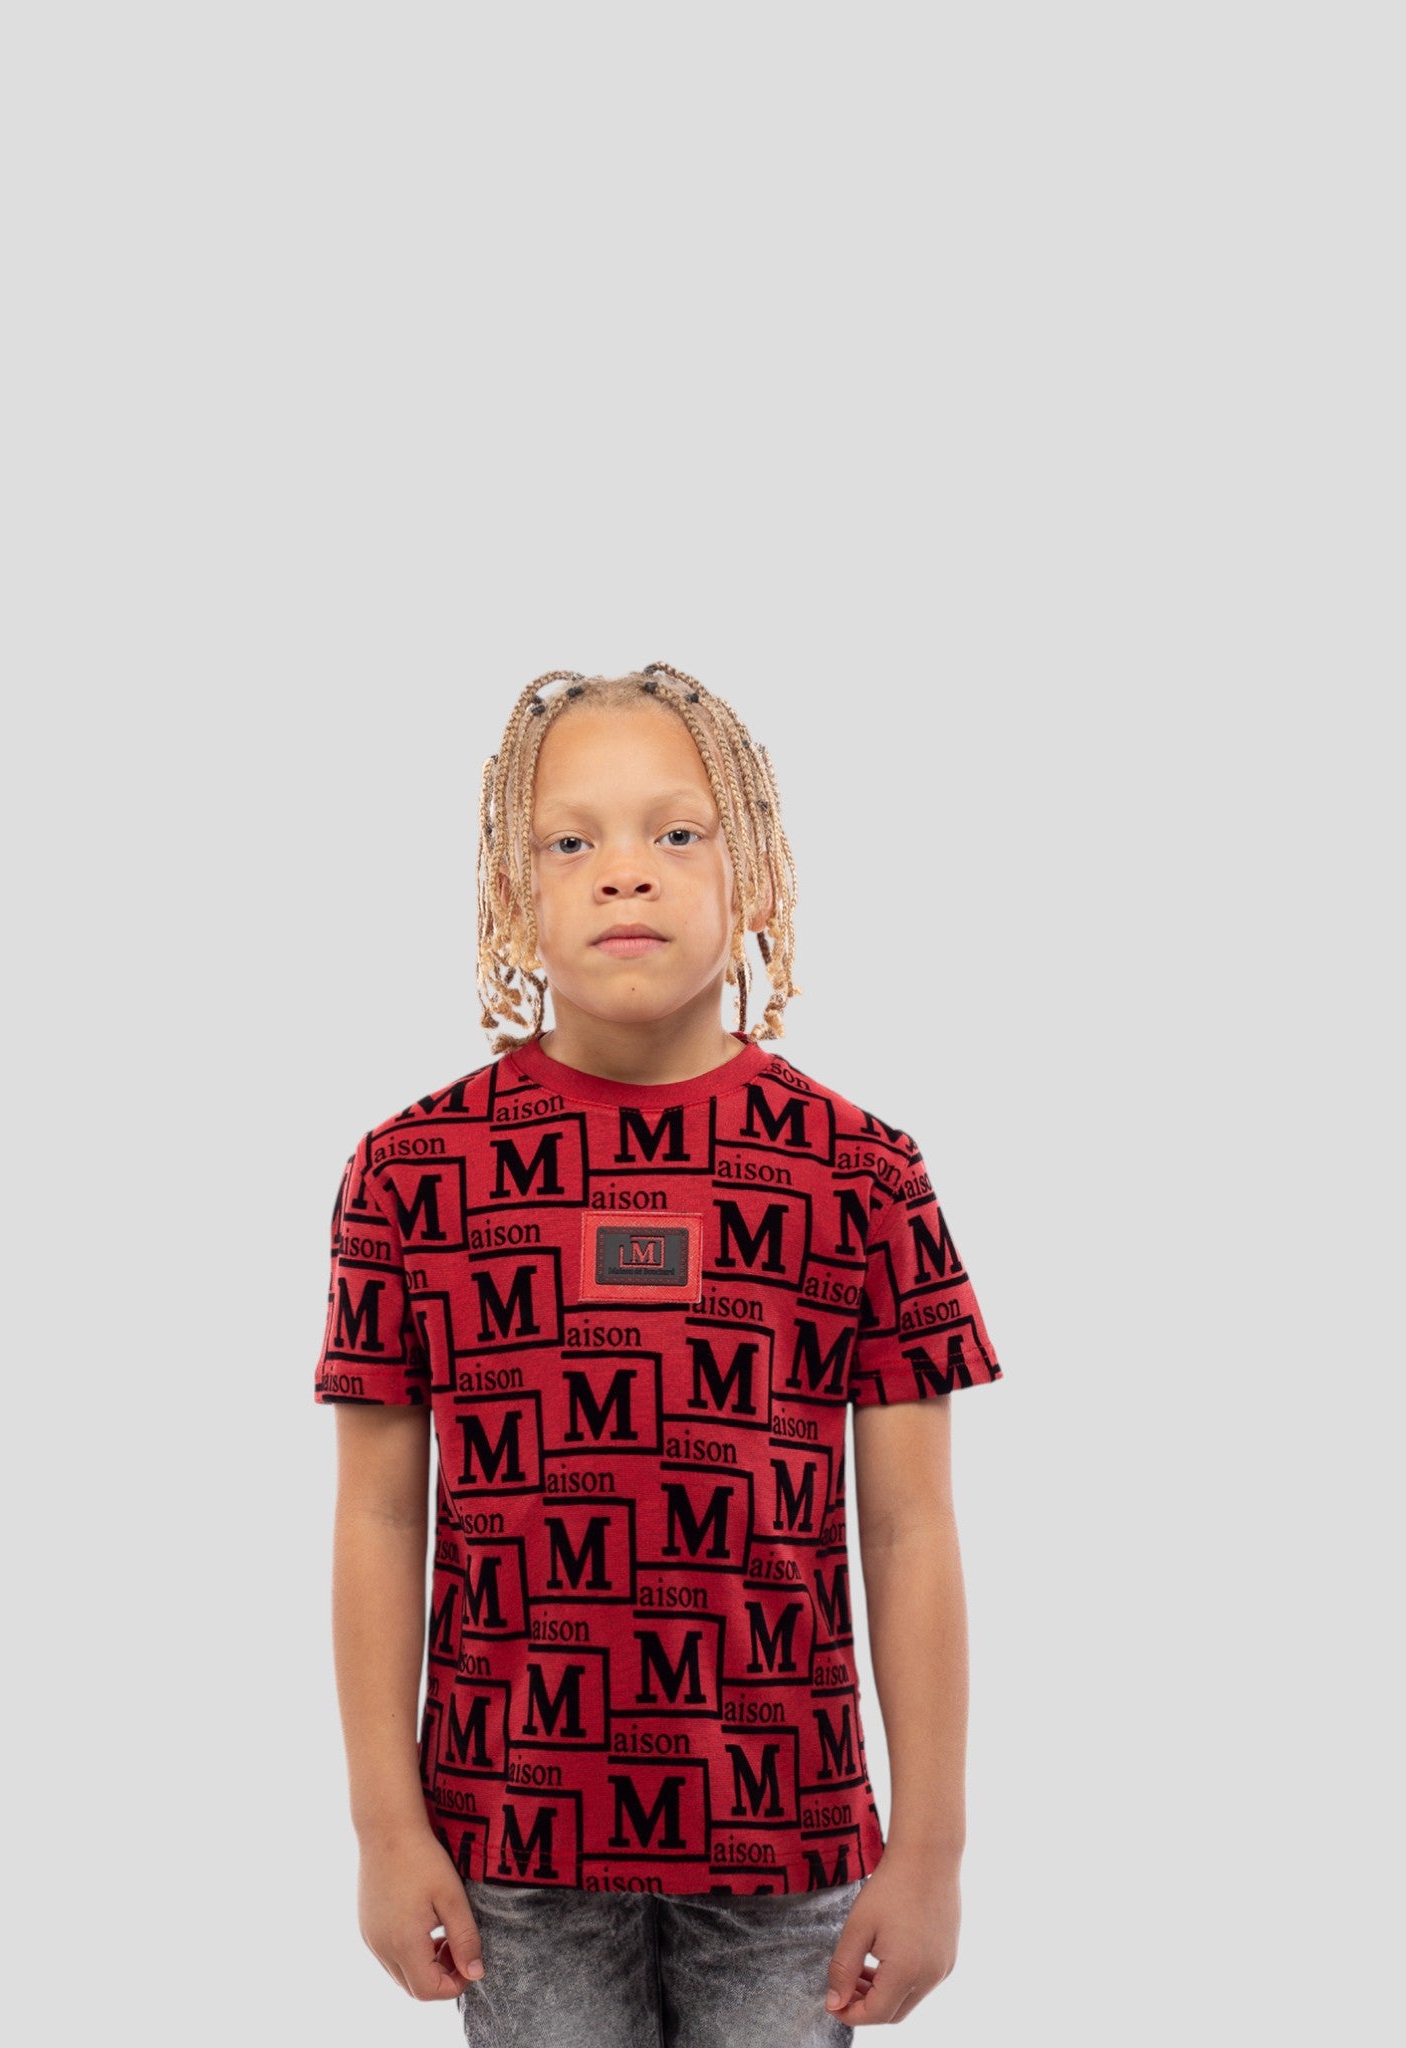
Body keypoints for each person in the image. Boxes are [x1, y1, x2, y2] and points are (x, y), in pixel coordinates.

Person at [315, 663, 1004, 2042]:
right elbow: (381, 1516)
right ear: (512, 891)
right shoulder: (411, 1174)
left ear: (755, 872)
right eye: (571, 841)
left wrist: (931, 1851)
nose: (624, 872)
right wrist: (386, 1828)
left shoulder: (861, 1172)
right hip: (508, 1841)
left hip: (790, 1834)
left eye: (676, 832)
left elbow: (911, 1527)